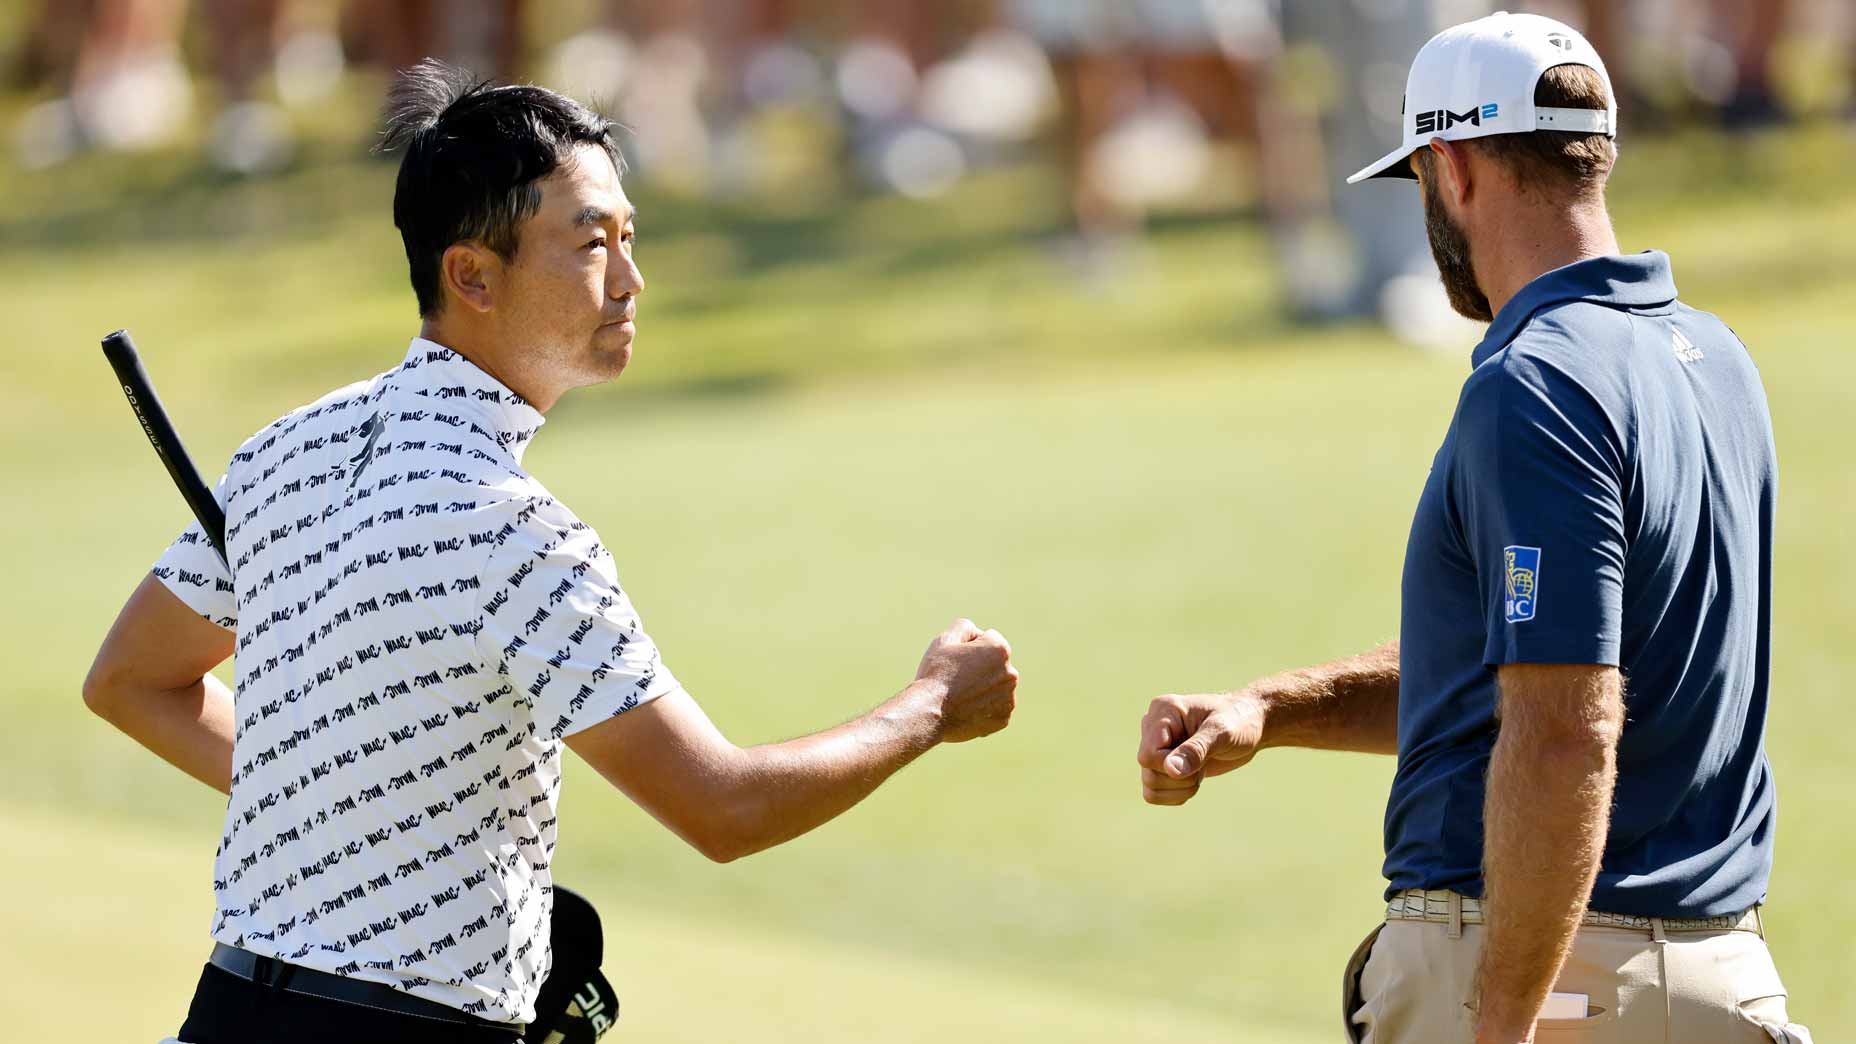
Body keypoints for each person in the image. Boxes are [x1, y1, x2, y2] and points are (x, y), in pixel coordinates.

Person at [83, 59, 1019, 1042]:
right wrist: (928, 708)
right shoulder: (517, 532)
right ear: (471, 275)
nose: (630, 278)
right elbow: (722, 808)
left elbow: (132, 681)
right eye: (589, 246)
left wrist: (375, 817)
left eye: (627, 237)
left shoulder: (286, 449)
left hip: (218, 1016)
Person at [1134, 12, 1812, 1044]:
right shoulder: (1714, 360)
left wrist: (1500, 1024)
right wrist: (1272, 708)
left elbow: (1563, 731)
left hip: (1555, 986)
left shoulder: (1534, 382)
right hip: (1721, 982)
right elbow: (1546, 659)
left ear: (1450, 171)